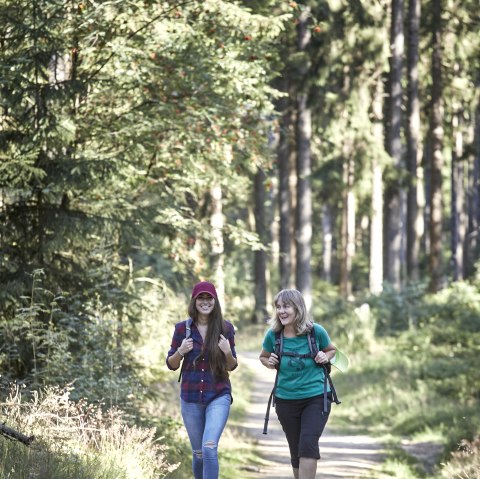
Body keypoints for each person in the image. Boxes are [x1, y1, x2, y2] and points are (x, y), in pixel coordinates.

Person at [259, 289, 336, 479]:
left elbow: (332, 350)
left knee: (308, 444)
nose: (281, 311)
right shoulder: (274, 336)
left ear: (298, 308)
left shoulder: (316, 332)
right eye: (278, 307)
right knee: (296, 450)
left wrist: (324, 355)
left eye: (286, 306)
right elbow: (263, 356)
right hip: (286, 399)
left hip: (317, 396)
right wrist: (269, 363)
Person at [166, 281, 237, 479]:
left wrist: (227, 352)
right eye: (201, 298)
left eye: (209, 298)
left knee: (209, 448)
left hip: (218, 395)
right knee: (198, 454)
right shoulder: (182, 329)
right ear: (194, 301)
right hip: (190, 398)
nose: (205, 302)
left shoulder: (226, 328)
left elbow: (231, 365)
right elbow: (171, 364)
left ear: (215, 301)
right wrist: (181, 351)